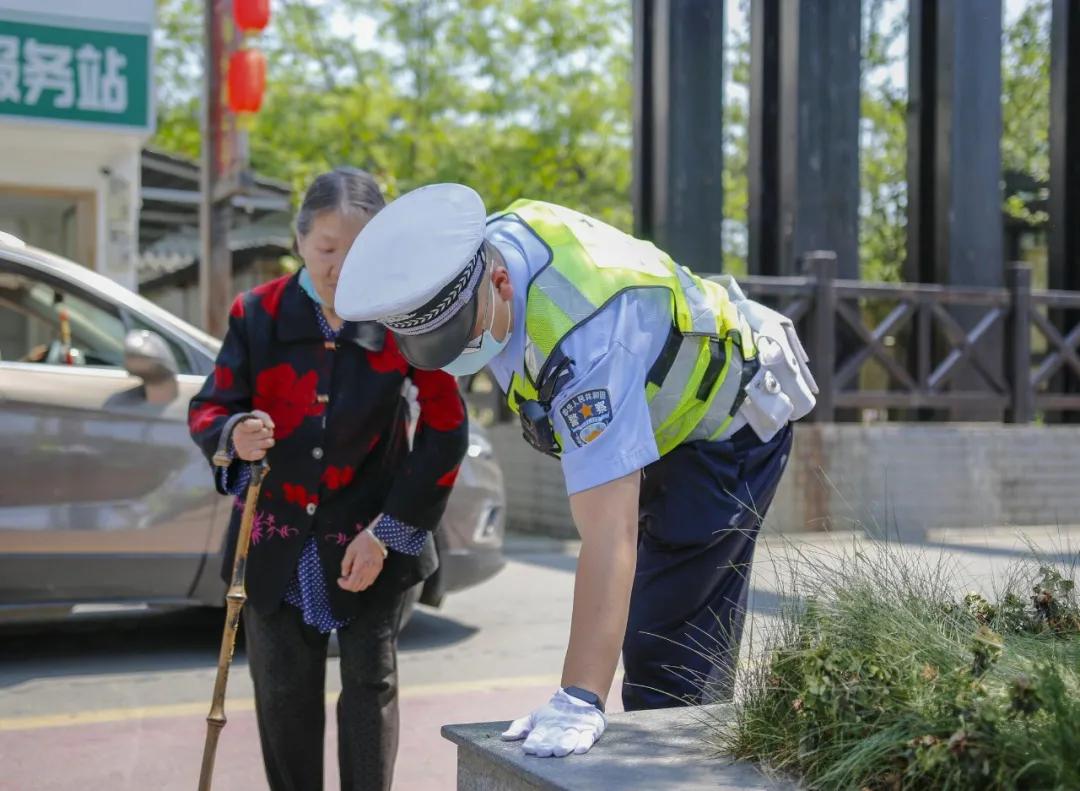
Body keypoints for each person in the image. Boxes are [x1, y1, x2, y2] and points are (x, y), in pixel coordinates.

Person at [334, 184, 817, 758]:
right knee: (657, 628)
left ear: (500, 283)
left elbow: (609, 536)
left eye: (458, 336)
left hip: (726, 428)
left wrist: (579, 697)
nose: (458, 359)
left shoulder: (586, 340)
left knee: (667, 650)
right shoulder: (475, 250)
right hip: (661, 423)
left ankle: (685, 764)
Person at [188, 169, 469, 790]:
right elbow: (210, 406)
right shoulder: (256, 313)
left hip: (373, 534)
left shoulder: (405, 318)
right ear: (300, 241)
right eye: (326, 250)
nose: (341, 267)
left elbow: (447, 430)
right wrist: (233, 433)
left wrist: (389, 533)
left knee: (370, 690)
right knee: (283, 698)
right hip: (275, 537)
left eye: (358, 250)